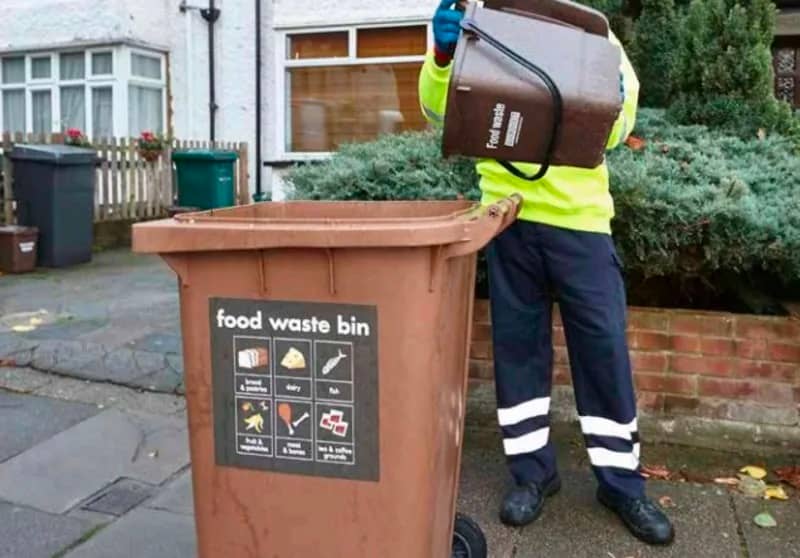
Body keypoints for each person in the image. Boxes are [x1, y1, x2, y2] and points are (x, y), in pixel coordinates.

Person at [419, 0, 675, 546]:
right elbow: (443, 110)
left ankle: (622, 484)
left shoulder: (593, 34)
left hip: (581, 222)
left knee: (602, 350)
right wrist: (444, 55)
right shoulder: (480, 28)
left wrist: (604, 96)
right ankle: (533, 476)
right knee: (518, 350)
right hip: (509, 218)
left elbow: (617, 126)